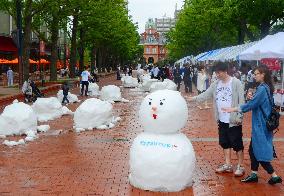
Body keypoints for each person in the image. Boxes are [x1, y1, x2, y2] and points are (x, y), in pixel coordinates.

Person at [222, 65, 282, 185]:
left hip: (261, 125)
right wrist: (251, 97)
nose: (254, 76)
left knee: (259, 151)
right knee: (252, 149)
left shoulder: (262, 89)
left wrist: (233, 109)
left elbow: (251, 105)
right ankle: (254, 174)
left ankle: (274, 175)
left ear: (263, 74)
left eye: (256, 74)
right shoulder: (266, 87)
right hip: (264, 124)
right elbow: (258, 102)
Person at [189, 62, 245, 177]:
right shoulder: (215, 84)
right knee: (225, 143)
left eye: (218, 73)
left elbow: (241, 101)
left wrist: (239, 116)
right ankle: (228, 164)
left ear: (225, 71)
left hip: (233, 120)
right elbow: (206, 95)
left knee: (237, 144)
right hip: (221, 119)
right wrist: (193, 99)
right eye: (216, 73)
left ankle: (240, 165)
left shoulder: (236, 83)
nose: (217, 75)